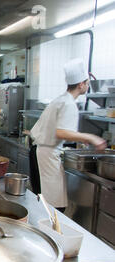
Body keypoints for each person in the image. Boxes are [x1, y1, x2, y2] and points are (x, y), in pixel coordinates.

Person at [30, 58, 106, 211]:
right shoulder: (68, 103)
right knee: (54, 207)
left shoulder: (61, 100)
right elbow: (62, 132)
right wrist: (91, 137)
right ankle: (49, 233)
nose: (88, 85)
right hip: (47, 155)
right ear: (81, 84)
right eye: (87, 82)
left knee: (45, 202)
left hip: (40, 151)